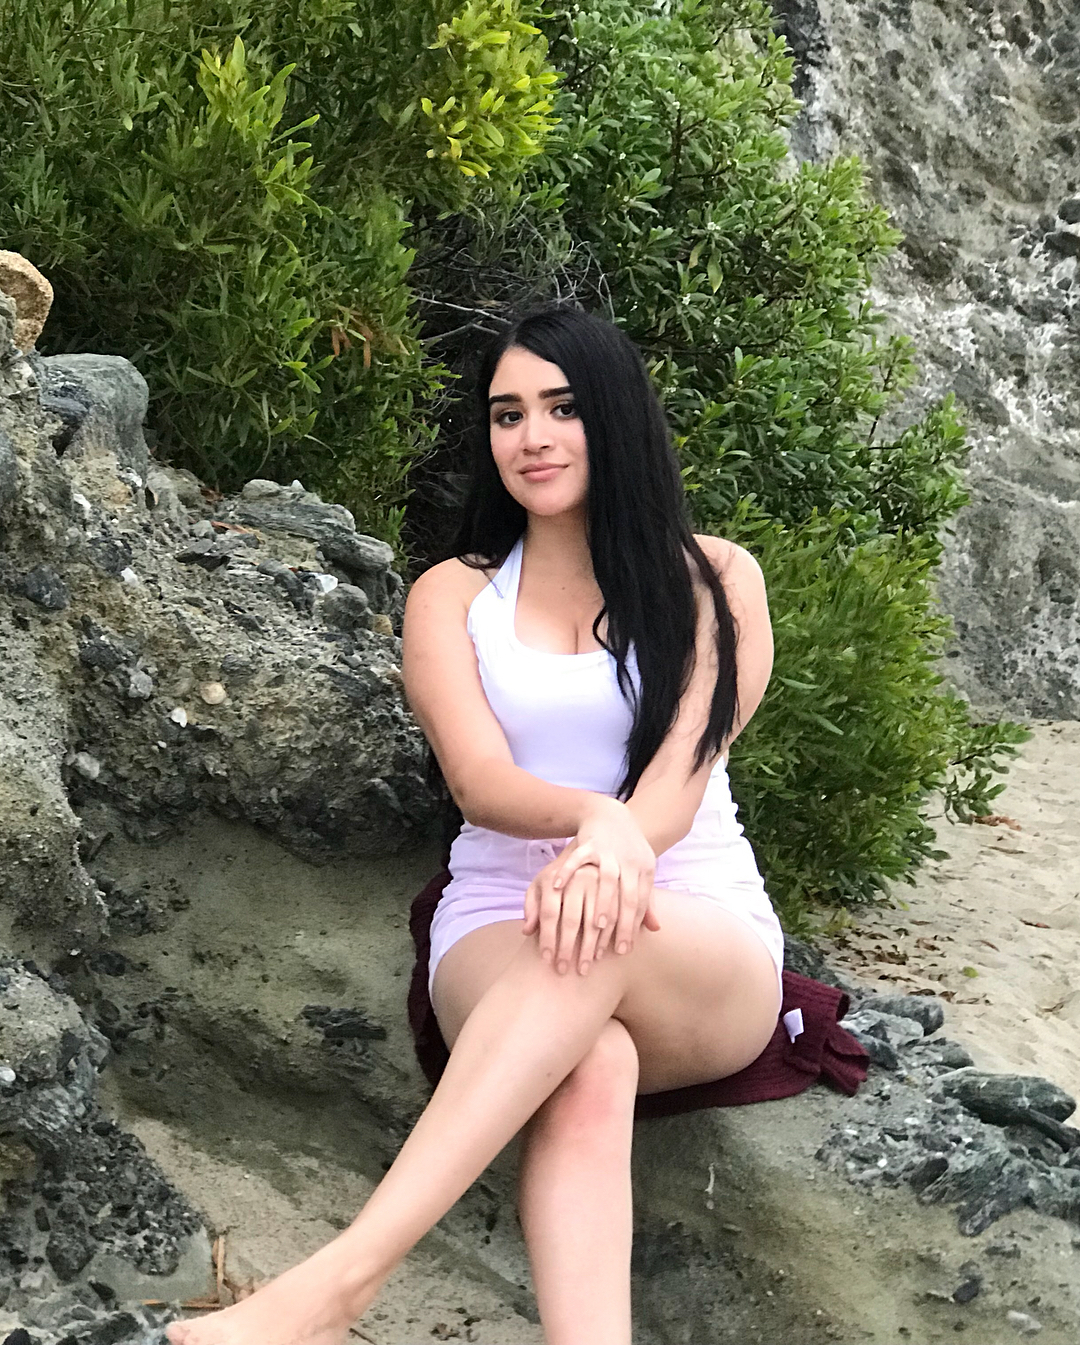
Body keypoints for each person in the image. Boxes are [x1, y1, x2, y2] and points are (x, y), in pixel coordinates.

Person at [164, 305, 784, 1345]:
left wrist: (616, 845)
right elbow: (481, 781)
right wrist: (591, 817)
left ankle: (337, 1289)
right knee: (590, 1060)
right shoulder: (453, 594)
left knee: (599, 925)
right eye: (507, 414)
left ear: (616, 416)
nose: (532, 436)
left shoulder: (717, 578)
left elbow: (682, 778)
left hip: (693, 923)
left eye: (562, 407)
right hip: (501, 916)